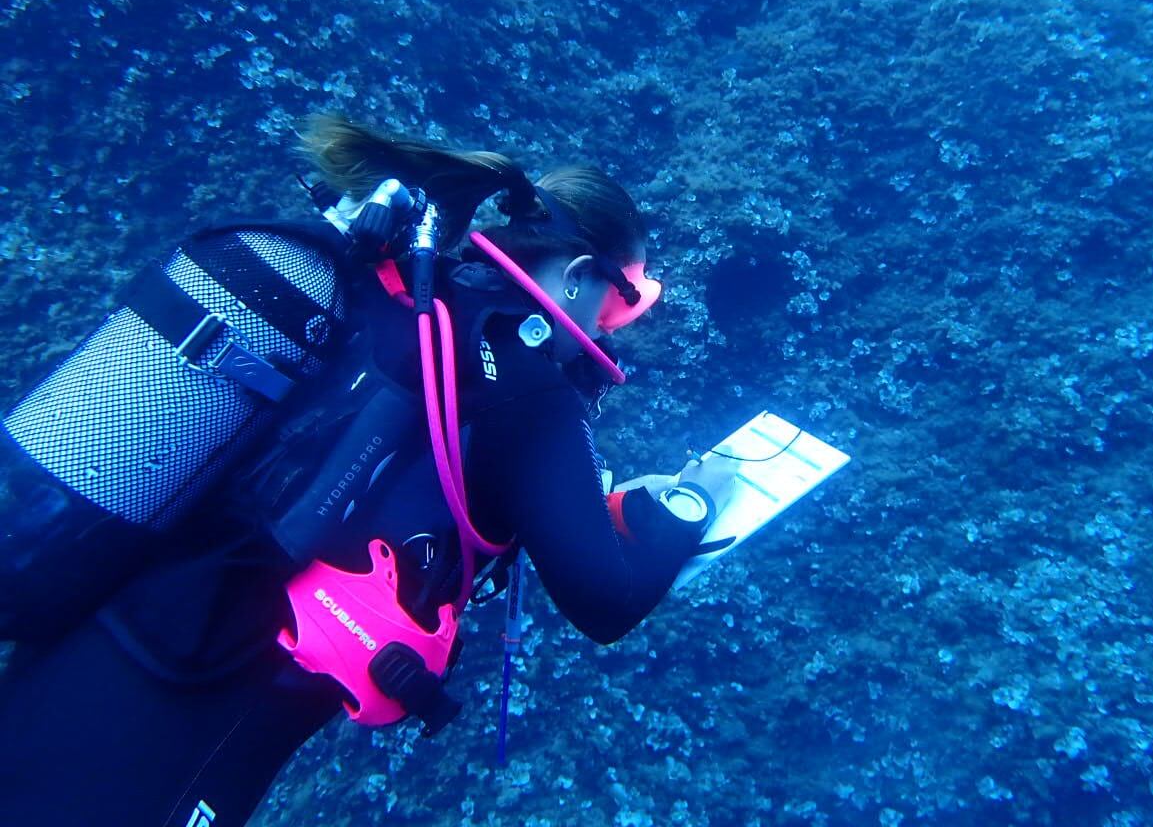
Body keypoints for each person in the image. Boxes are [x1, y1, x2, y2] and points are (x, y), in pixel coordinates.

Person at [0, 115, 737, 827]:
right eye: (624, 303)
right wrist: (686, 512)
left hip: (92, 634)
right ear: (580, 276)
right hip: (196, 708)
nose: (613, 329)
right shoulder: (533, 394)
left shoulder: (389, 292)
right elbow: (607, 601)